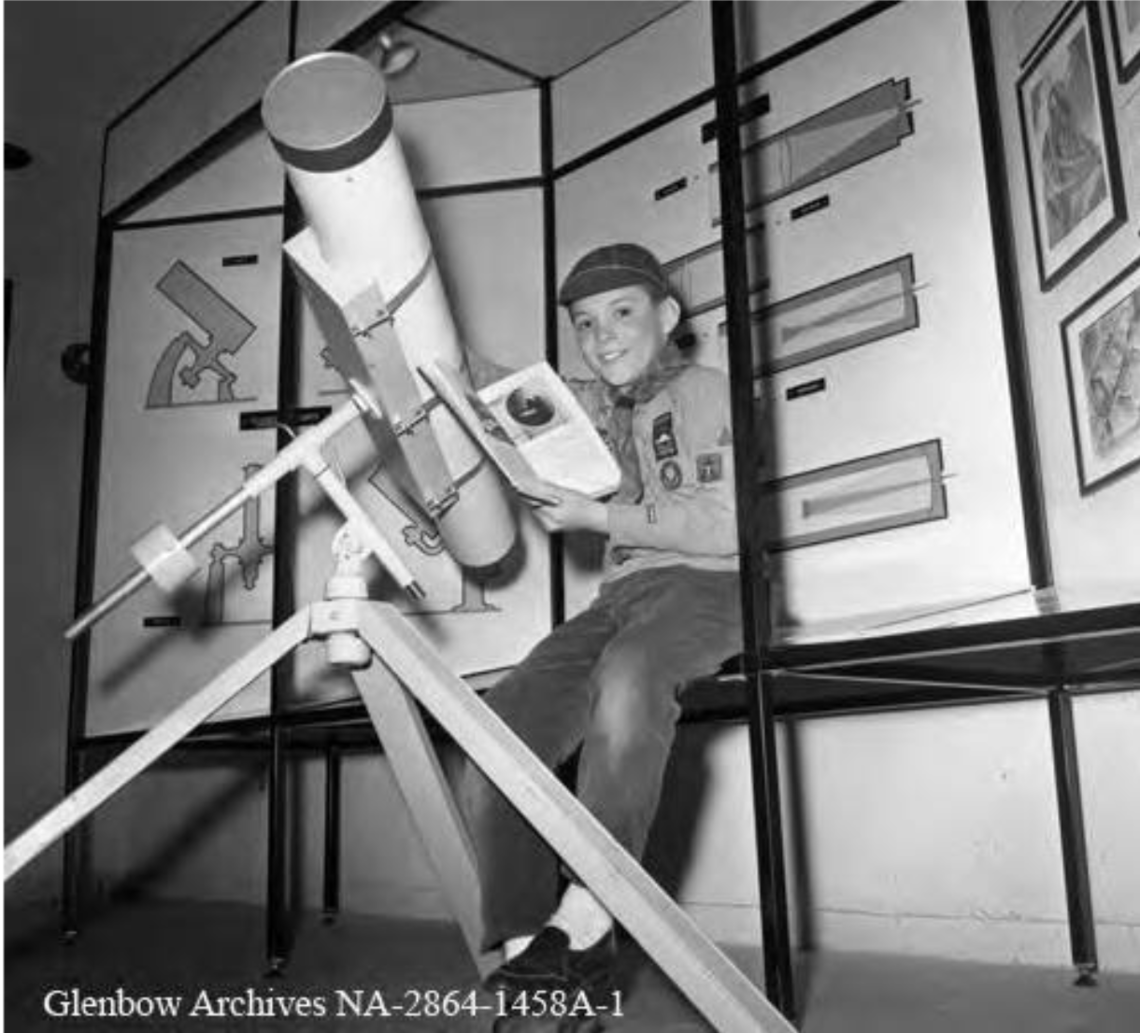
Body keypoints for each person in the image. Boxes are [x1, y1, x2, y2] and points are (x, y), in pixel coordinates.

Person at [461, 242, 743, 1010]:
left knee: (629, 679)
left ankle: (588, 914)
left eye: (623, 313)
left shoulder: (707, 389)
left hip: (710, 587)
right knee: (498, 726)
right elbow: (487, 384)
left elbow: (726, 528)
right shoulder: (598, 405)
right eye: (585, 323)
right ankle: (529, 954)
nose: (603, 334)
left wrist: (597, 514)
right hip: (619, 596)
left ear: (669, 316)